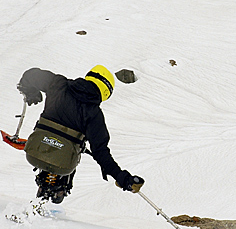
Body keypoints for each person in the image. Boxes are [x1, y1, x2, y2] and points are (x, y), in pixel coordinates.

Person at [16, 65, 144, 204]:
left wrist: (30, 92)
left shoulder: (58, 84)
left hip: (34, 151)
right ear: (106, 92)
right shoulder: (94, 115)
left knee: (56, 150)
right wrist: (122, 177)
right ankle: (58, 192)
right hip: (63, 164)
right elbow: (101, 152)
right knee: (68, 152)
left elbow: (31, 75)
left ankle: (43, 189)